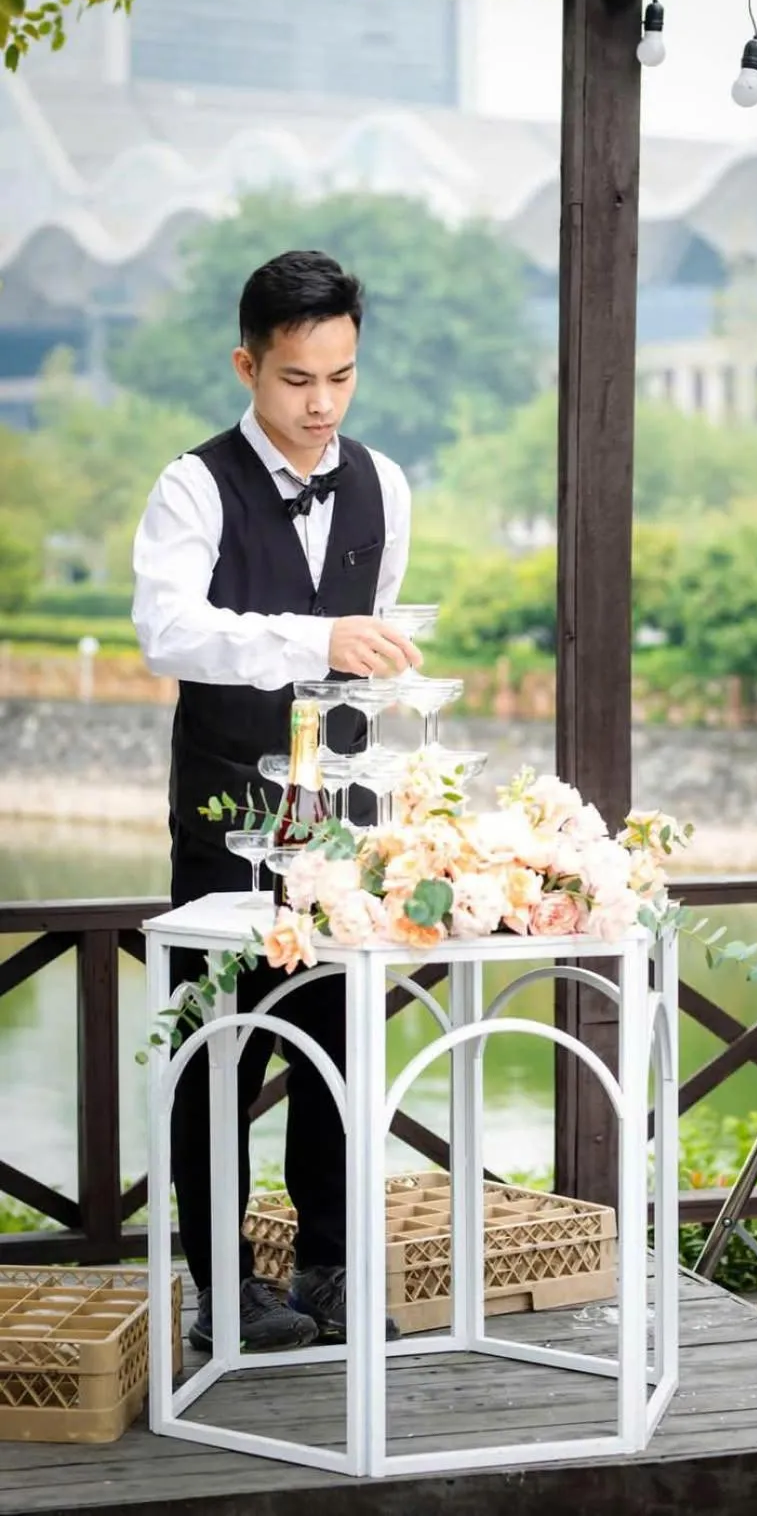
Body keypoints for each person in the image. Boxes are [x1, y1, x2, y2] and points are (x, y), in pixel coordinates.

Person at [132, 249, 420, 1353]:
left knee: (339, 1055)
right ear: (249, 364)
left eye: (342, 377)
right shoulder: (192, 485)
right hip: (221, 827)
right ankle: (226, 1291)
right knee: (218, 1057)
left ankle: (333, 1269)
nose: (321, 405)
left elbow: (368, 642)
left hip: (337, 836)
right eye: (298, 380)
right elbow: (172, 632)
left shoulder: (385, 485)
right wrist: (316, 637)